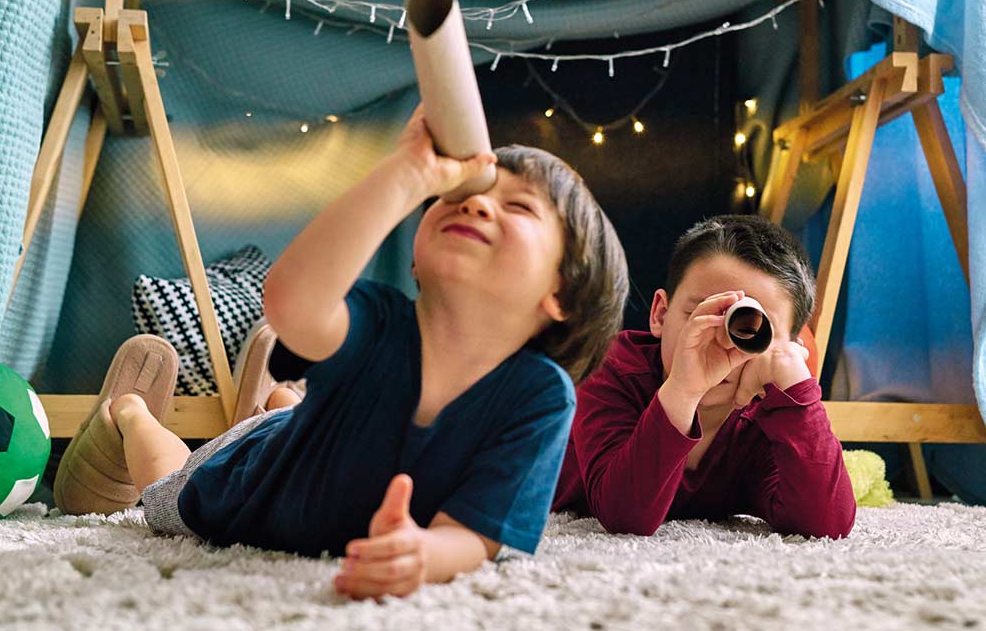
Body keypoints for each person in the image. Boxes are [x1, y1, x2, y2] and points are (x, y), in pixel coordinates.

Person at [54, 105, 629, 599]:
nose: (477, 206)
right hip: (251, 485)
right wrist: (406, 175)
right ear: (415, 257)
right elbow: (289, 304)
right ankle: (131, 413)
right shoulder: (379, 320)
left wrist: (421, 554)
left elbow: (477, 533)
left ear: (561, 294)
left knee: (296, 413)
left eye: (520, 207)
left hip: (316, 440)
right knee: (168, 489)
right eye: (458, 196)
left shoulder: (539, 396)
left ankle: (285, 402)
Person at [554, 214, 855, 539]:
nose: (719, 344)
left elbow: (826, 525)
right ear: (660, 315)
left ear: (788, 348)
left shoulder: (768, 415)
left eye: (749, 329)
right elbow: (625, 516)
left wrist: (797, 393)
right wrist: (683, 389)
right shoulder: (614, 369)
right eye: (702, 315)